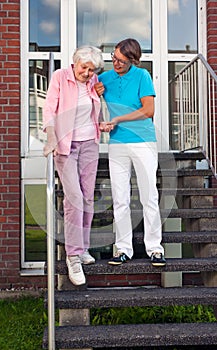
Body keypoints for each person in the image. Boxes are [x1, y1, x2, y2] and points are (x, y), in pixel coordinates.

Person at [95, 38, 166, 267]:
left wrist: (118, 119)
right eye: (113, 58)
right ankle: (123, 249)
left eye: (121, 61)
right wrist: (96, 95)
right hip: (117, 144)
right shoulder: (104, 78)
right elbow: (86, 97)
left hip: (143, 141)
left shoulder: (142, 76)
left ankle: (155, 249)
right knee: (120, 199)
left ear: (132, 61)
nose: (116, 63)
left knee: (149, 197)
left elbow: (148, 110)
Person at [43, 46, 104, 285]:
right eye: (84, 68)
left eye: (91, 69)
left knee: (88, 198)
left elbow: (93, 111)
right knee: (75, 198)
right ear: (74, 63)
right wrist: (50, 138)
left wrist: (102, 117)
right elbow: (49, 109)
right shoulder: (60, 77)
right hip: (66, 145)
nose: (88, 73)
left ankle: (83, 248)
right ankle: (73, 257)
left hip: (90, 143)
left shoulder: (94, 81)